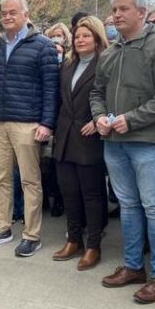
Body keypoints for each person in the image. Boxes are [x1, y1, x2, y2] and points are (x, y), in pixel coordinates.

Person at [90, 0, 155, 304]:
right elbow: (96, 93)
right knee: (128, 206)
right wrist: (101, 116)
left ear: (141, 12)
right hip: (114, 142)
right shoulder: (110, 51)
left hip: (147, 142)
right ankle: (133, 267)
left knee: (154, 207)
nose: (116, 15)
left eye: (123, 9)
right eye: (114, 9)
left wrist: (132, 119)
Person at [0, 0, 59, 257]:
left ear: (26, 14)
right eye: (4, 12)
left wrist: (47, 123)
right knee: (0, 178)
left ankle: (32, 235)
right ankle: (1, 228)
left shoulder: (43, 45)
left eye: (13, 12)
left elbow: (51, 89)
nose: (7, 16)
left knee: (30, 181)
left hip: (27, 123)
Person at [52, 16, 109, 270]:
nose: (81, 40)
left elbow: (113, 96)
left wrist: (99, 120)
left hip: (90, 137)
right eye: (77, 37)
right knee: (69, 193)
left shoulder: (105, 64)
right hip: (65, 136)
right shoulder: (67, 65)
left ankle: (93, 246)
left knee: (92, 195)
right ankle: (73, 239)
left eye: (86, 36)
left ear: (97, 39)